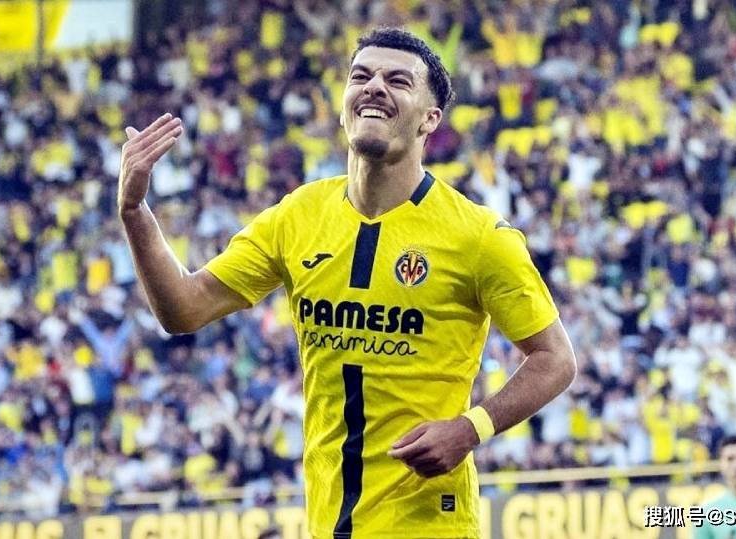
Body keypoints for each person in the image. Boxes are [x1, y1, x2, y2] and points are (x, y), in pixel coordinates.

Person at [118, 28, 576, 539]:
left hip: (427, 526)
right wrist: (134, 211)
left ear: (430, 119)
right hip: (327, 523)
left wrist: (471, 428)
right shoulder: (298, 215)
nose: (374, 86)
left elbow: (555, 358)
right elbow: (183, 309)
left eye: (398, 80)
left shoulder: (479, 236)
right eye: (361, 76)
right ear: (343, 107)